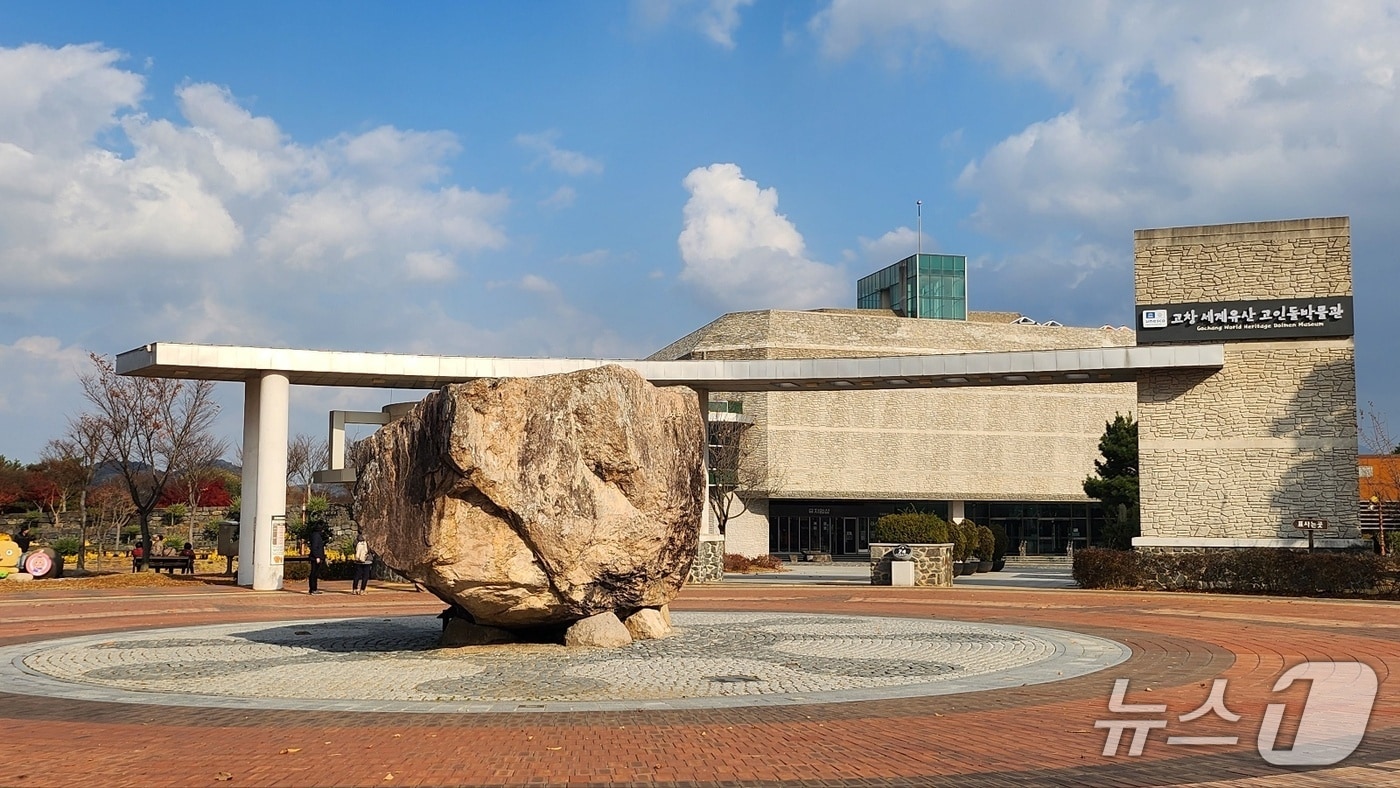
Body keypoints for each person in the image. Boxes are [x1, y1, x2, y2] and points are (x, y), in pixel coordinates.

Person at [307, 522, 327, 595]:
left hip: (315, 557)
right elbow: (314, 547)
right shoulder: (316, 536)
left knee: (315, 573)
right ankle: (313, 589)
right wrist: (317, 557)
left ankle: (314, 588)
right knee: (314, 573)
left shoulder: (315, 535)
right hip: (315, 557)